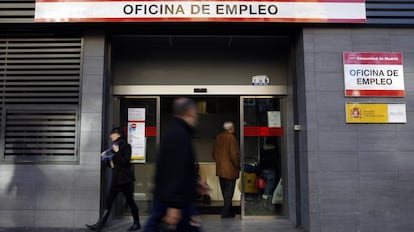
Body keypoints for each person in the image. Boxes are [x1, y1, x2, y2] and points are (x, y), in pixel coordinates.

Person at [143, 97, 204, 232]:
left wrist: (195, 182)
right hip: (174, 204)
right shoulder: (178, 134)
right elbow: (175, 170)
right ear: (189, 112)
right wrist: (174, 205)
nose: (196, 117)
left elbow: (181, 167)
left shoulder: (177, 132)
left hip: (173, 200)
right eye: (195, 113)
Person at [86, 127, 141, 232]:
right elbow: (113, 165)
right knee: (109, 202)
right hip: (116, 180)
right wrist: (105, 158)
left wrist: (116, 153)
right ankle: (100, 225)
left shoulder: (126, 146)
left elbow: (125, 162)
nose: (111, 136)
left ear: (118, 134)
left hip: (126, 180)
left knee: (130, 202)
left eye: (112, 134)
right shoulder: (114, 146)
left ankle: (137, 223)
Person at [211, 121, 241, 218]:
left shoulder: (218, 137)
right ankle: (225, 212)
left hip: (220, 170)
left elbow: (213, 153)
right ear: (231, 128)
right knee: (229, 192)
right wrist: (237, 165)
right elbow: (234, 155)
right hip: (230, 170)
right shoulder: (231, 138)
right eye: (234, 128)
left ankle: (229, 211)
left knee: (225, 192)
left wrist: (219, 162)